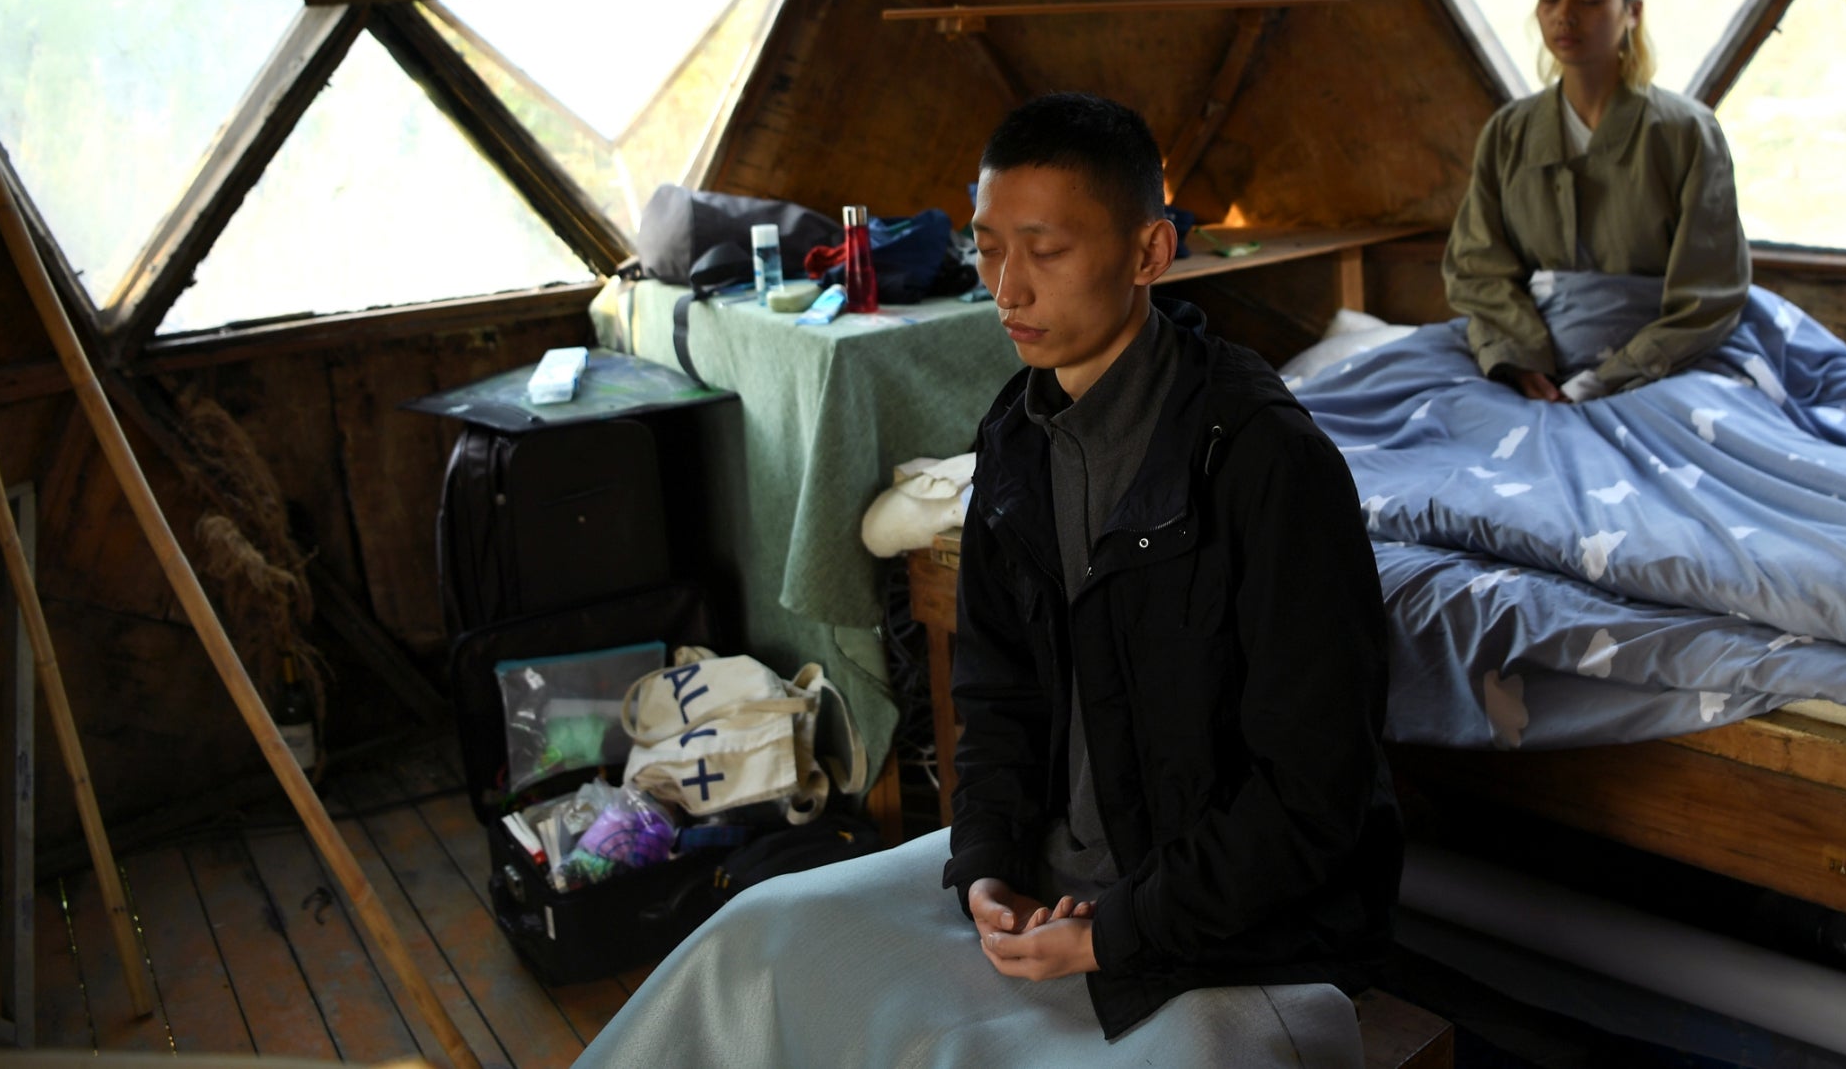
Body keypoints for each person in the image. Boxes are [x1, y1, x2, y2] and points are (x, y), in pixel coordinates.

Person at [574, 93, 1396, 1068]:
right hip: (1049, 874)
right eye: (987, 246)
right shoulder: (1015, 433)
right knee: (750, 936)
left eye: (1044, 251)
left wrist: (1111, 930)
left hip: (1223, 917)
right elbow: (997, 693)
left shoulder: (1263, 462)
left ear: (1147, 253)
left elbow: (1312, 794)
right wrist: (988, 864)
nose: (1006, 288)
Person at [1443, 0, 1751, 402]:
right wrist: (1521, 362)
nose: (1565, 15)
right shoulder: (1508, 133)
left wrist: (1610, 375)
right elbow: (1478, 268)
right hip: (1522, 369)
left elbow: (1709, 293)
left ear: (1632, 11)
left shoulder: (1687, 133)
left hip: (1664, 368)